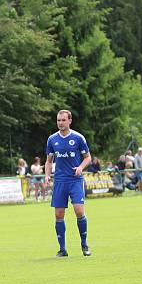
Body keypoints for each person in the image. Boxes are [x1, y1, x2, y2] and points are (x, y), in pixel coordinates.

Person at [45, 110, 92, 258]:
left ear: (69, 121)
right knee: (59, 214)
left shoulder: (78, 138)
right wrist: (47, 176)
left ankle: (84, 245)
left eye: (63, 120)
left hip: (75, 180)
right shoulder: (52, 139)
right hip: (60, 181)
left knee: (79, 211)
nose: (60, 123)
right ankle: (62, 249)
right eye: (58, 120)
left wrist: (80, 168)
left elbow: (88, 157)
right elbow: (48, 161)